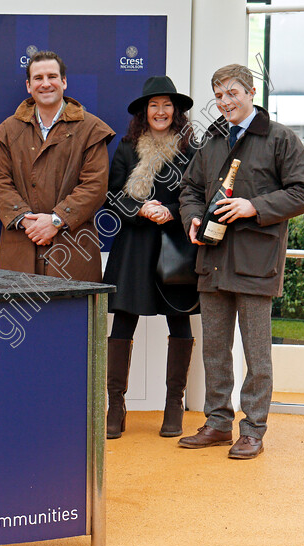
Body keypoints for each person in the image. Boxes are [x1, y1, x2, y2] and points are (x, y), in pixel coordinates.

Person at [178, 64, 304, 459]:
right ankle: (219, 424)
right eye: (219, 96)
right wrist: (191, 218)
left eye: (232, 93)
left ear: (252, 92)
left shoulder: (280, 138)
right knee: (215, 351)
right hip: (213, 261)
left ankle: (253, 430)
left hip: (257, 264)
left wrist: (252, 206)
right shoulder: (212, 140)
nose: (225, 102)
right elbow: (189, 188)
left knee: (257, 354)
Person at [102, 76, 197, 439]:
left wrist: (170, 210)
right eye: (154, 105)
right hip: (134, 247)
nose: (161, 111)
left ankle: (174, 406)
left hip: (175, 246)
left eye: (167, 105)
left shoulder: (191, 149)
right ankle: (116, 407)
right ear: (145, 111)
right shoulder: (126, 148)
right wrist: (140, 208)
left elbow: (198, 192)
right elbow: (112, 196)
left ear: (176, 111)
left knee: (180, 321)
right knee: (123, 323)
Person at [0, 51, 114, 281]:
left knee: (71, 315)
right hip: (20, 248)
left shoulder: (91, 129)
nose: (45, 84)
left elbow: (95, 186)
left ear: (64, 82)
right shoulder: (9, 130)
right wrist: (29, 222)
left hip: (72, 249)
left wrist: (56, 221)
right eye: (38, 78)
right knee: (20, 316)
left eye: (52, 76)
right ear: (28, 85)